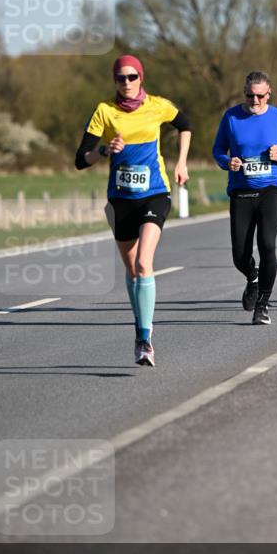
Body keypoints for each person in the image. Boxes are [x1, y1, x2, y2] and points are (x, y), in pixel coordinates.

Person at [75, 55, 191, 366]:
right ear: (114, 81)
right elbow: (80, 159)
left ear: (141, 77)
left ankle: (144, 339)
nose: (126, 83)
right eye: (120, 78)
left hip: (155, 194)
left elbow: (185, 124)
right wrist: (103, 150)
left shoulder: (157, 105)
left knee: (143, 263)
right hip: (121, 200)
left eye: (131, 77)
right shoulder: (104, 111)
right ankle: (139, 326)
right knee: (130, 270)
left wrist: (181, 162)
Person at [212, 71, 277, 325]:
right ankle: (252, 276)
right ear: (244, 93)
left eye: (260, 96)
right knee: (239, 254)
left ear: (269, 93)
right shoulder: (231, 117)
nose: (255, 100)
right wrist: (226, 161)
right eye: (250, 95)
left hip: (269, 190)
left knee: (267, 245)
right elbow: (218, 150)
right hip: (241, 191)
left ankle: (263, 304)